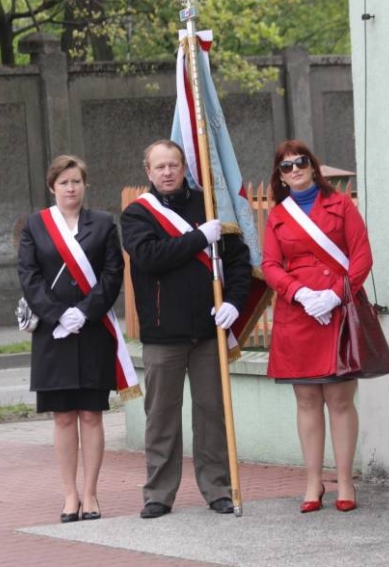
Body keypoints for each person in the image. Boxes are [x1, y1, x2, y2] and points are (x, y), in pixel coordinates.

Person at [121, 139, 252, 519]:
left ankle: (218, 489)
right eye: (160, 166)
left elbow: (239, 263)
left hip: (209, 331)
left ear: (184, 168)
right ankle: (159, 495)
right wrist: (199, 238)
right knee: (162, 416)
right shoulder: (137, 214)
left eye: (173, 165)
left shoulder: (208, 205)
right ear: (148, 171)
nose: (167, 172)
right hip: (164, 333)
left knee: (212, 414)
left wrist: (234, 302)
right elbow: (149, 257)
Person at [261, 139, 374, 514]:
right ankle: (313, 481)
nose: (294, 170)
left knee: (340, 400)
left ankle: (344, 480)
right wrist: (300, 294)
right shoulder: (278, 215)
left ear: (313, 166)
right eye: (286, 166)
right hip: (299, 314)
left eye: (300, 162)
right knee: (307, 400)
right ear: (280, 176)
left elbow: (362, 256)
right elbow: (270, 265)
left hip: (338, 311)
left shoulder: (341, 205)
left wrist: (336, 295)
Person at [18, 155, 124, 523]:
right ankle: (69, 495)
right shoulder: (36, 225)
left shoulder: (104, 223)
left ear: (85, 184)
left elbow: (113, 273)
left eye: (76, 181)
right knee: (63, 416)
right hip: (53, 334)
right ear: (53, 187)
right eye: (64, 182)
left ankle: (91, 494)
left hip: (92, 330)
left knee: (91, 414)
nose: (71, 188)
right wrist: (58, 314)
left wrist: (85, 311)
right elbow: (28, 276)